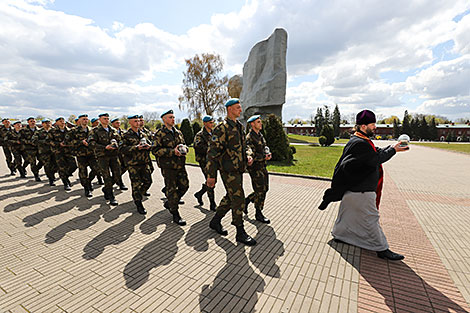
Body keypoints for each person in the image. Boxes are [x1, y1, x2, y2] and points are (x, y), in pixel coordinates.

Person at [319, 109, 409, 261]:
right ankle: (381, 248)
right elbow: (375, 158)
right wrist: (393, 150)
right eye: (372, 124)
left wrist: (392, 148)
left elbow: (375, 152)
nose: (375, 127)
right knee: (371, 218)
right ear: (362, 126)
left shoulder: (360, 140)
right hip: (361, 190)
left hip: (354, 189)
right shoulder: (359, 143)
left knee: (347, 214)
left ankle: (340, 235)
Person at [206, 98, 256, 246]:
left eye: (240, 107)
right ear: (229, 110)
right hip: (228, 170)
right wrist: (211, 175)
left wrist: (248, 154)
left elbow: (245, 145)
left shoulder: (240, 126)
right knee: (238, 199)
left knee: (230, 197)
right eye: (237, 108)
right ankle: (240, 231)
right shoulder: (222, 128)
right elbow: (212, 153)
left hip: (239, 169)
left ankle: (215, 221)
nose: (240, 110)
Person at [152, 109, 188, 226]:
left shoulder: (178, 132)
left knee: (184, 186)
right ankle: (175, 213)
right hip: (168, 167)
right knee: (171, 189)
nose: (173, 119)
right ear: (164, 119)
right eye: (170, 117)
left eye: (173, 117)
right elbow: (155, 150)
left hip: (180, 165)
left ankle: (170, 203)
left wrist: (184, 149)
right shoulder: (159, 134)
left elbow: (183, 144)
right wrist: (173, 152)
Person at [121, 115, 153, 214]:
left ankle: (139, 194)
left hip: (144, 162)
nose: (138, 123)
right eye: (135, 121)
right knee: (136, 184)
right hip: (133, 164)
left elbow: (151, 145)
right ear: (130, 123)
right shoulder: (126, 135)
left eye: (139, 121)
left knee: (148, 181)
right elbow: (121, 149)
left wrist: (149, 146)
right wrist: (136, 148)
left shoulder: (143, 134)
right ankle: (138, 203)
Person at [88, 113, 122, 205]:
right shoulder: (95, 131)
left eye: (107, 118)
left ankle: (106, 188)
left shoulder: (113, 130)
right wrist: (104, 147)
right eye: (104, 118)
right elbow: (91, 143)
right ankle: (111, 196)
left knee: (117, 174)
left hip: (114, 155)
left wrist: (117, 145)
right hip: (102, 156)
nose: (106, 120)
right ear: (99, 119)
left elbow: (120, 140)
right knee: (106, 176)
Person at [245, 115, 272, 223]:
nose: (261, 124)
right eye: (258, 122)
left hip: (263, 166)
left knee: (265, 188)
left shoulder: (260, 135)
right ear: (252, 124)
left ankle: (247, 200)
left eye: (260, 122)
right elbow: (250, 151)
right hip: (255, 168)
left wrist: (267, 153)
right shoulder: (249, 137)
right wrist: (259, 157)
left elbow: (264, 147)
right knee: (260, 190)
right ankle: (258, 213)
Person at [66, 114, 101, 197]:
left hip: (92, 153)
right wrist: (80, 142)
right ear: (80, 120)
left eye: (86, 119)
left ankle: (88, 181)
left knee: (97, 168)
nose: (85, 120)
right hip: (81, 154)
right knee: (83, 172)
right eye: (83, 119)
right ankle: (86, 188)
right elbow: (67, 142)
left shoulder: (92, 130)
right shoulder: (73, 131)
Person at [193, 115, 217, 211]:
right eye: (210, 122)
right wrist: (211, 150)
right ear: (205, 123)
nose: (212, 124)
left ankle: (199, 194)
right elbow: (197, 147)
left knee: (213, 180)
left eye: (212, 122)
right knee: (210, 181)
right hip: (204, 161)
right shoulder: (200, 135)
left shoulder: (214, 133)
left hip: (213, 161)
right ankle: (212, 203)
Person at [50, 117, 78, 190]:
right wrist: (59, 144)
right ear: (56, 123)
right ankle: (66, 183)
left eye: (63, 121)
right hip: (58, 152)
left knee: (74, 166)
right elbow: (49, 141)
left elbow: (74, 139)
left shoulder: (69, 130)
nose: (62, 122)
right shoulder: (53, 131)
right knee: (61, 168)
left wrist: (69, 144)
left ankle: (65, 176)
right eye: (60, 121)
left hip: (69, 151)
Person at [32, 120, 57, 186]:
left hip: (54, 151)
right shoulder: (39, 132)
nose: (48, 124)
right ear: (42, 124)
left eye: (49, 123)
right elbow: (34, 140)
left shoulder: (54, 130)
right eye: (46, 123)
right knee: (47, 165)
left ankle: (52, 174)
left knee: (55, 165)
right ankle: (51, 179)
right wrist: (45, 142)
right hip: (44, 152)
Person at [20, 117, 42, 181]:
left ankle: (34, 169)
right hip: (29, 149)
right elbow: (21, 139)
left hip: (38, 148)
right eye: (31, 121)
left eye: (34, 121)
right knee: (32, 162)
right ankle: (36, 175)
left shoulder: (39, 130)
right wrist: (29, 142)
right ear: (28, 122)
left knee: (42, 160)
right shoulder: (23, 130)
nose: (33, 122)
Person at [110, 117, 128, 191]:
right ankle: (120, 183)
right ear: (112, 124)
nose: (118, 124)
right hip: (114, 153)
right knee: (117, 169)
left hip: (122, 153)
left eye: (119, 122)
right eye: (116, 122)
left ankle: (112, 181)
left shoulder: (123, 132)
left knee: (124, 167)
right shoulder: (110, 132)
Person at [89, 117, 104, 186]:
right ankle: (88, 180)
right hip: (91, 152)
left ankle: (100, 180)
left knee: (98, 167)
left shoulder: (101, 129)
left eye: (98, 121)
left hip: (99, 152)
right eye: (96, 121)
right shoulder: (92, 130)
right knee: (96, 168)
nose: (97, 122)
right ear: (93, 123)